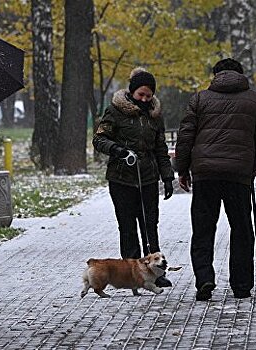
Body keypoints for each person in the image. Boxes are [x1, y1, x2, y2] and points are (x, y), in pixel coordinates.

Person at [175, 58, 256, 301]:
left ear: (216, 75)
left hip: (205, 172)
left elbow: (186, 135)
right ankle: (241, 285)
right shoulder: (255, 100)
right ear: (240, 74)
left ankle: (204, 279)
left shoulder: (199, 99)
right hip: (239, 174)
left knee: (203, 229)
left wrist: (182, 169)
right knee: (241, 228)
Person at [92, 67, 175, 288]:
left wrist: (167, 176)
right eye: (141, 95)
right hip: (122, 178)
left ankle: (155, 272)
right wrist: (117, 150)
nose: (145, 99)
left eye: (148, 96)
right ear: (132, 92)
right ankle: (132, 273)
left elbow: (160, 147)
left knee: (150, 225)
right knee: (127, 226)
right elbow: (99, 140)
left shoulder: (154, 116)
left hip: (147, 177)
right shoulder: (115, 111)